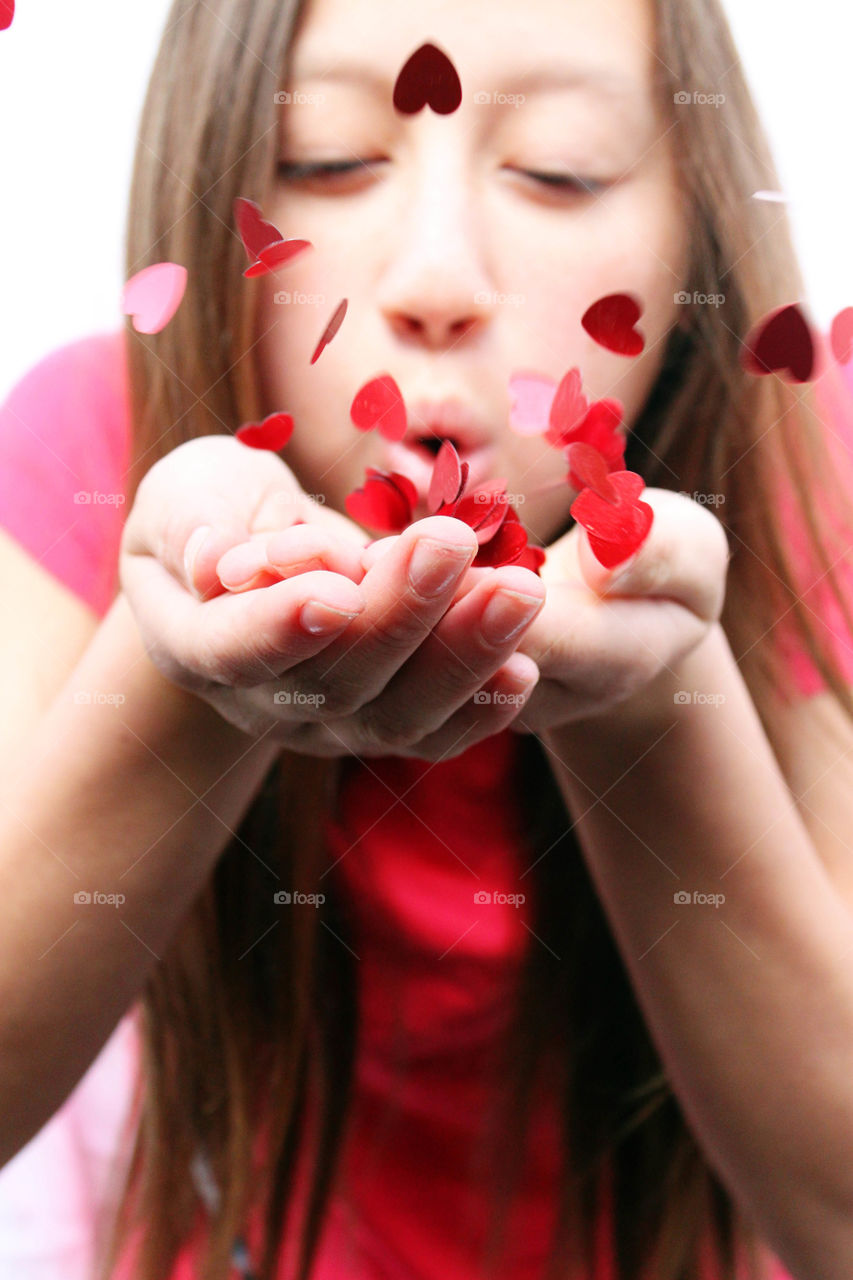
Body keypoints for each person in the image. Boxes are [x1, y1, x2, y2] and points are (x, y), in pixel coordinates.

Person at [1, 0, 853, 1277]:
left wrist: (650, 702)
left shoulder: (805, 467)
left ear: (697, 229)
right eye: (329, 159)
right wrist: (193, 666)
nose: (437, 278)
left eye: (558, 167)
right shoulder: (89, 448)